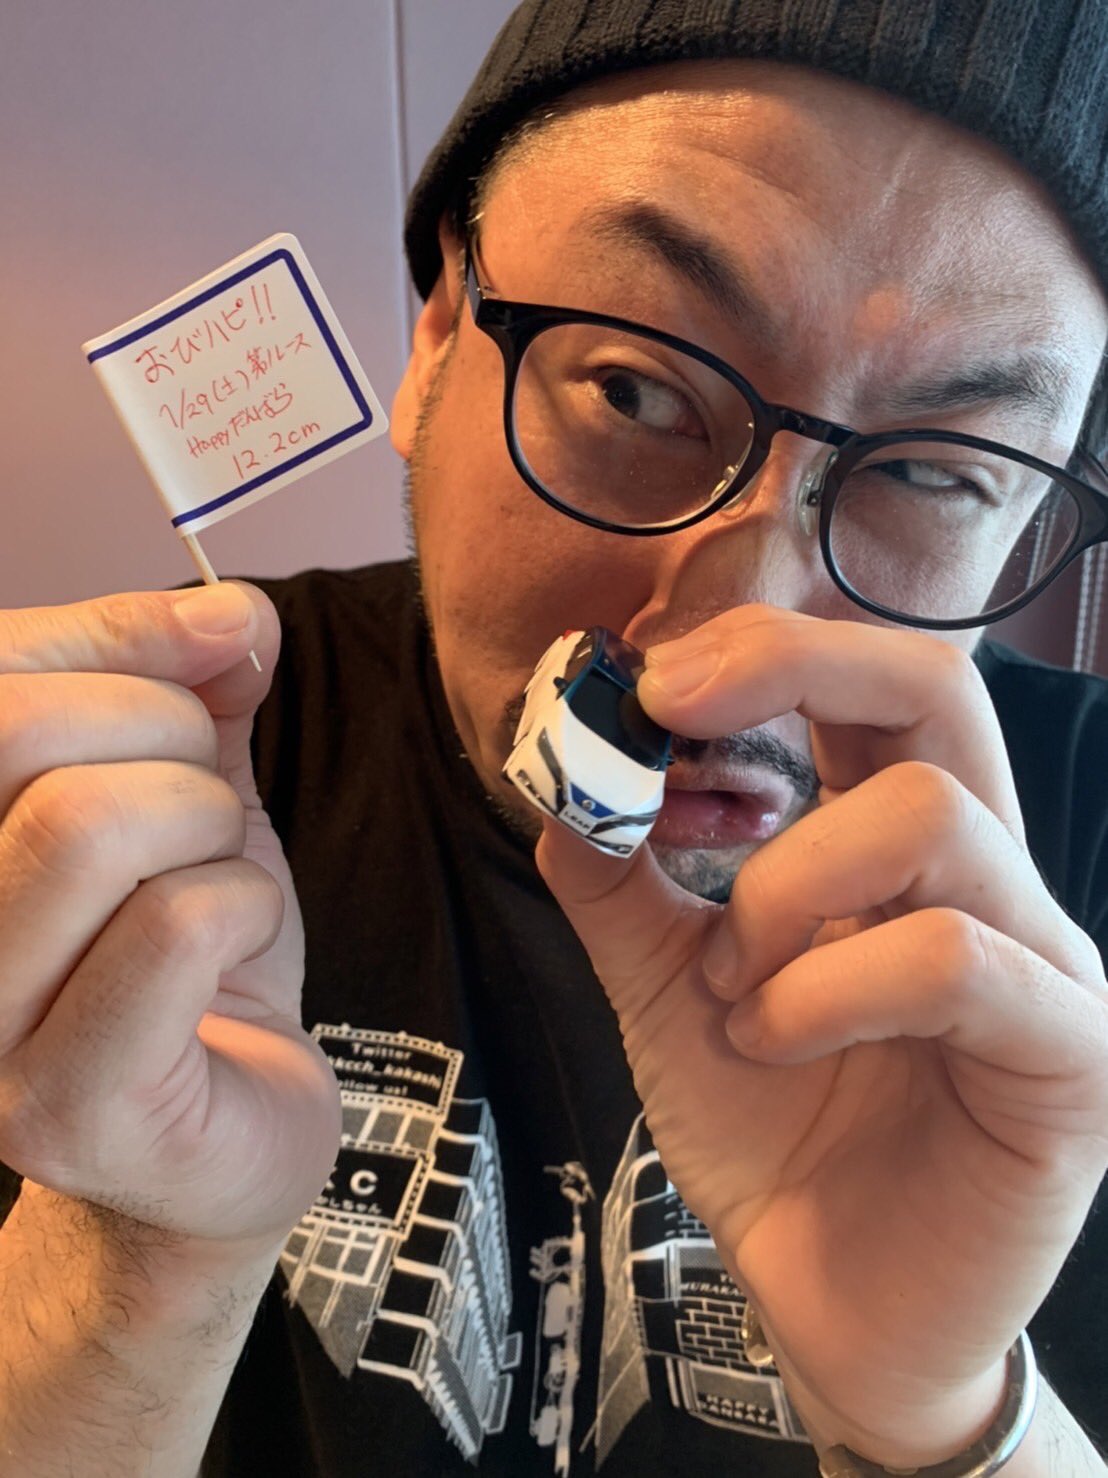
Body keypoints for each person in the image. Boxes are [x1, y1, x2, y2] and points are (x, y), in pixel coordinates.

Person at [1, 1, 1107, 1473]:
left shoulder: (1077, 858)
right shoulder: (146, 818)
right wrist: (139, 1260)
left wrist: (946, 1415)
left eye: (936, 474)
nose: (731, 637)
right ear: (438, 339)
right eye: (635, 388)